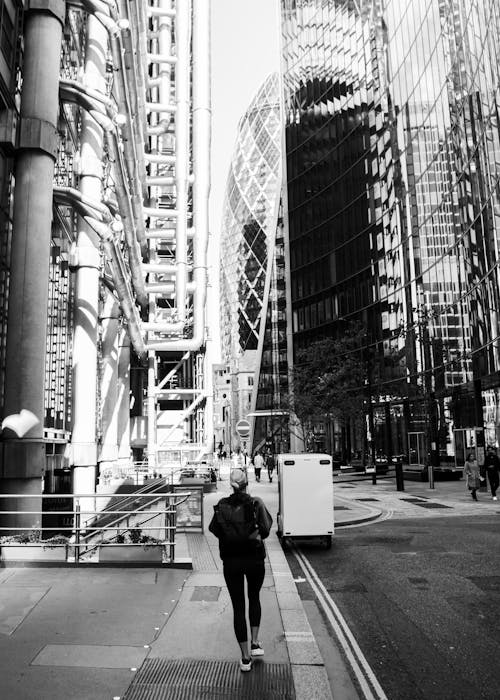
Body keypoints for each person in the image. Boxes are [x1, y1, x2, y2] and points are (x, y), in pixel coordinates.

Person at [208, 468, 273, 672]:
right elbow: (265, 529)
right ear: (247, 483)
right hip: (254, 559)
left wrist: (231, 535)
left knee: (238, 607)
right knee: (254, 598)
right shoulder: (256, 503)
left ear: (231, 485)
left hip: (231, 562)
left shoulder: (222, 505)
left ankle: (245, 658)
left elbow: (214, 529)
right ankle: (255, 643)